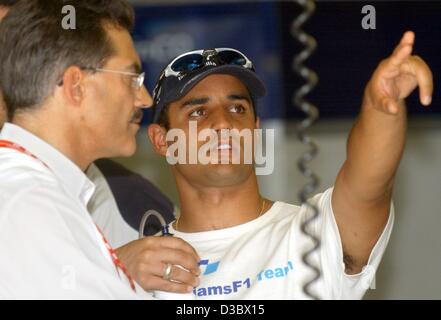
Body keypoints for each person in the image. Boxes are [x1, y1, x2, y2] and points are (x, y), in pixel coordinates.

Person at [147, 42, 433, 299]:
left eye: (237, 109)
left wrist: (381, 107)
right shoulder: (141, 267)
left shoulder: (314, 233)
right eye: (198, 112)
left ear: (255, 129)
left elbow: (369, 184)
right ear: (162, 140)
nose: (223, 124)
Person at [0, 0, 199, 299]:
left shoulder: (37, 192)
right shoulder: (30, 202)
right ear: (75, 86)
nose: (145, 99)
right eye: (132, 79)